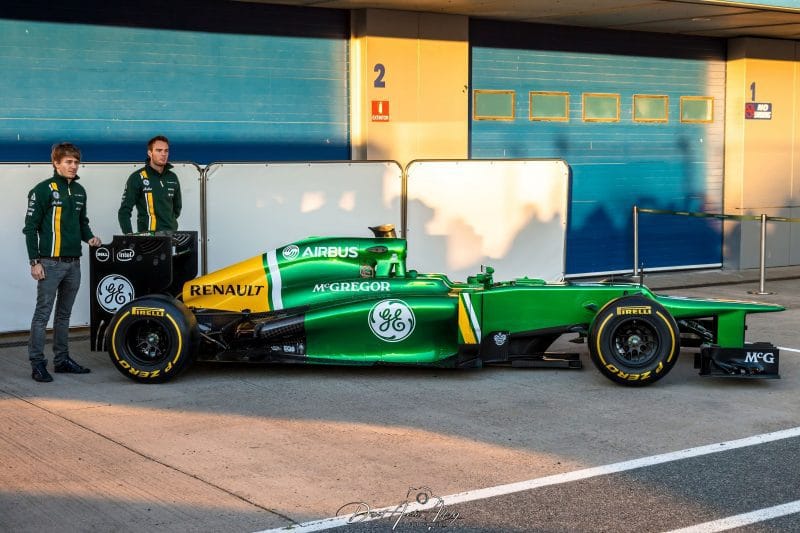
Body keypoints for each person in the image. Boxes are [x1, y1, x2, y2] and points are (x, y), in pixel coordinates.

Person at [23, 142, 102, 382]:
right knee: (42, 315)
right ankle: (37, 364)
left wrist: (90, 237)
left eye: (76, 162)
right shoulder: (42, 190)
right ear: (56, 163)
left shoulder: (80, 190)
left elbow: (82, 223)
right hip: (49, 263)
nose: (73, 166)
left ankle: (62, 360)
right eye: (68, 162)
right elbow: (30, 229)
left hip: (73, 264)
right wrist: (34, 262)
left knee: (64, 315)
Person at [117, 135, 182, 234]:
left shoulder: (173, 177)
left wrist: (168, 223)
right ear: (150, 153)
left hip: (171, 235)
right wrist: (129, 235)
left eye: (166, 151)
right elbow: (124, 211)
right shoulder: (137, 177)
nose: (163, 154)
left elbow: (177, 209)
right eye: (159, 150)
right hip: (148, 237)